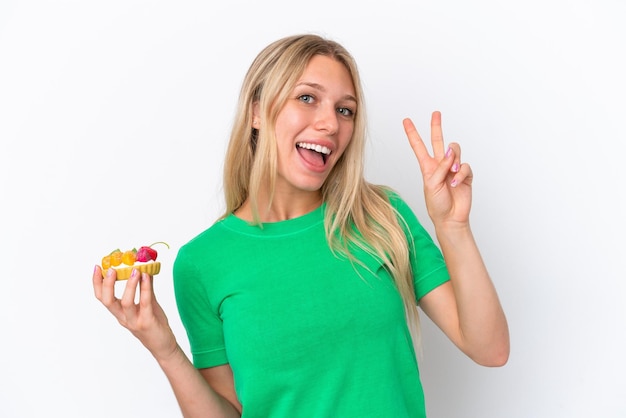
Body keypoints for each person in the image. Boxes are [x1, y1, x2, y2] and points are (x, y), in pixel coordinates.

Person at [93, 33, 509, 418]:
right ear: (257, 111)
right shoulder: (202, 263)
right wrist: (165, 349)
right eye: (308, 98)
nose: (331, 123)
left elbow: (489, 348)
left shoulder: (383, 217)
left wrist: (453, 226)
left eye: (344, 110)